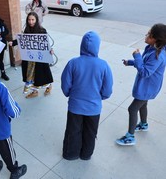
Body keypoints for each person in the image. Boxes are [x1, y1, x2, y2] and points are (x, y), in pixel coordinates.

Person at [61, 31, 113, 160]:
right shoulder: (104, 65)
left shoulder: (73, 63)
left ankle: (71, 154)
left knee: (73, 131)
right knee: (90, 132)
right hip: (94, 108)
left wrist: (69, 94)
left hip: (75, 107)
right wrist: (100, 98)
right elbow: (107, 90)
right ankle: (86, 154)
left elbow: (65, 84)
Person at [116, 23, 166, 146]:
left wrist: (136, 56)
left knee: (132, 109)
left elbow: (145, 72)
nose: (146, 35)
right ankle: (143, 124)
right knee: (143, 105)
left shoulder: (157, 55)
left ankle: (130, 137)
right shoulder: (152, 48)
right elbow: (144, 64)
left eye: (149, 34)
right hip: (148, 86)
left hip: (147, 87)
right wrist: (131, 62)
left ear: (155, 39)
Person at [9, 11, 54, 98]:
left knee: (42, 76)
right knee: (30, 77)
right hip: (29, 59)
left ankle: (49, 86)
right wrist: (13, 42)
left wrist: (50, 50)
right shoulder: (26, 30)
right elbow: (22, 39)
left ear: (36, 20)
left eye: (33, 20)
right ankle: (34, 92)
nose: (31, 22)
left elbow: (45, 44)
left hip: (39, 59)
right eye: (29, 20)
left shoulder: (42, 30)